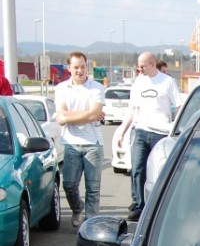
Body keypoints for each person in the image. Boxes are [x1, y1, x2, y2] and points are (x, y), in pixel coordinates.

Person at [116, 52, 181, 221]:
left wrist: (174, 125)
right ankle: (139, 205)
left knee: (160, 170)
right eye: (138, 66)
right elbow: (132, 110)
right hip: (140, 131)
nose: (140, 69)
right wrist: (122, 131)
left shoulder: (167, 82)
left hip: (160, 133)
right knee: (137, 169)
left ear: (153, 64)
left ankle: (158, 204)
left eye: (143, 66)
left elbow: (179, 105)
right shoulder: (138, 82)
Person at [54, 51, 106, 228]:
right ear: (69, 68)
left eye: (83, 66)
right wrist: (90, 114)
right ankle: (77, 209)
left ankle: (90, 224)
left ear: (87, 66)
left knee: (93, 188)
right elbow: (63, 112)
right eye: (76, 67)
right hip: (71, 144)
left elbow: (93, 114)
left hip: (93, 144)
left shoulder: (96, 87)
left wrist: (68, 117)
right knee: (69, 185)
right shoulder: (61, 88)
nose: (80, 70)